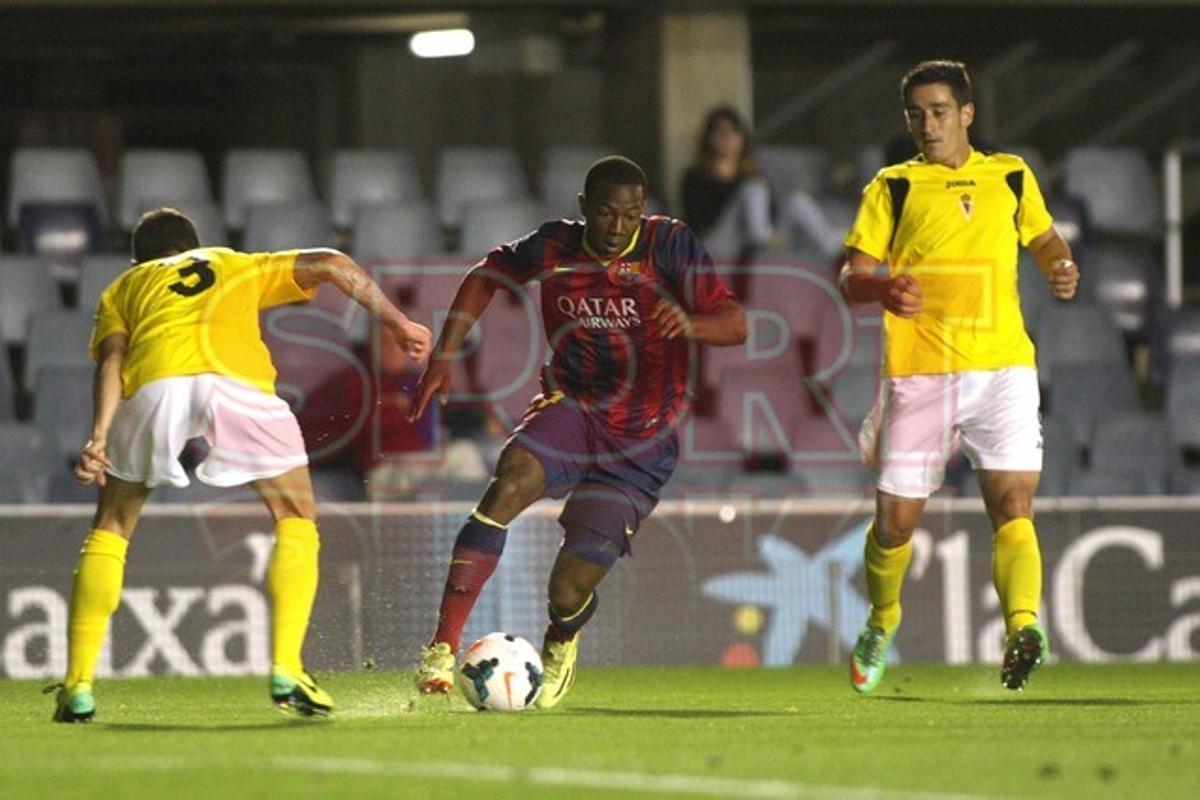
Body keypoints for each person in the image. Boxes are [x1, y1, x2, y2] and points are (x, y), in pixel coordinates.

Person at [51, 207, 431, 722]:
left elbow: (113, 359)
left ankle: (77, 686)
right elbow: (329, 262)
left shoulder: (124, 287)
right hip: (237, 383)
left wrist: (99, 435)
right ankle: (286, 668)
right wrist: (398, 320)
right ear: (195, 244)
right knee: (295, 516)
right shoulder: (232, 263)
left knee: (113, 525)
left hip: (155, 384)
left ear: (139, 257)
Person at [411, 156, 746, 707]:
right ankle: (441, 649)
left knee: (567, 589)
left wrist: (691, 323)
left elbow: (736, 325)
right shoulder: (554, 247)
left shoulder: (671, 246)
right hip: (575, 408)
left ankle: (562, 638)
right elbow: (484, 277)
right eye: (608, 214)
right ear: (584, 208)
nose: (618, 227)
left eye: (631, 215)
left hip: (642, 441)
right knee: (509, 481)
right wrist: (445, 355)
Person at [839, 61, 1079, 694]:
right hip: (921, 374)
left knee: (1012, 505)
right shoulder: (892, 187)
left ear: (967, 114)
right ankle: (883, 617)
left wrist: (1060, 265)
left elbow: (1047, 240)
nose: (927, 124)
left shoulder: (1011, 174)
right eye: (916, 114)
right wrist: (883, 287)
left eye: (939, 111)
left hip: (1002, 367)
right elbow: (850, 276)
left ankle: (1023, 627)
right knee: (895, 525)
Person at [680, 106, 773, 263]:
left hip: (753, 239)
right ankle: (759, 242)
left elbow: (771, 213)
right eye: (721, 132)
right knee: (751, 189)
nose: (727, 138)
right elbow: (696, 222)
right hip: (715, 243)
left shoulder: (752, 175)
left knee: (798, 202)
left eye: (733, 132)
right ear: (710, 138)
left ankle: (830, 254)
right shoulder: (696, 176)